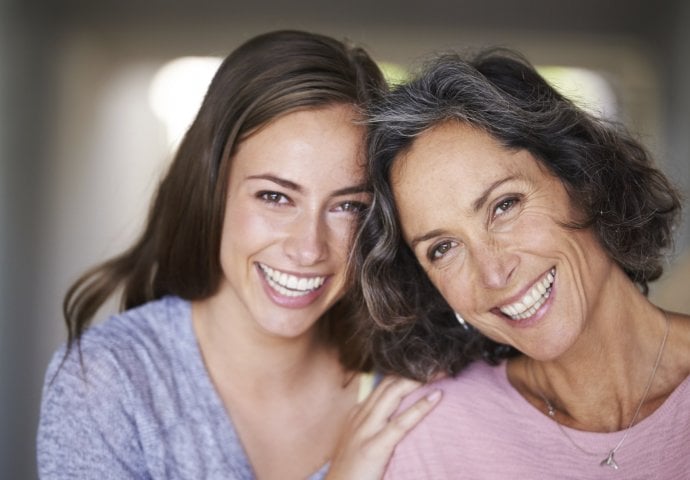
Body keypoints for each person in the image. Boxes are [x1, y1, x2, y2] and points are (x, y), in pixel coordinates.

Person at [37, 30, 441, 480]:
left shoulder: (407, 382)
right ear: (212, 189)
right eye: (275, 197)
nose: (308, 248)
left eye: (348, 206)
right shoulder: (108, 381)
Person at [356, 48, 690, 478]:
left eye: (505, 205)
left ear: (584, 180)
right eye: (443, 248)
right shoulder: (431, 431)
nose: (493, 273)